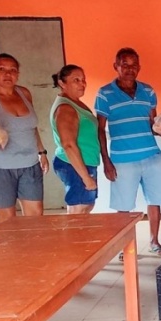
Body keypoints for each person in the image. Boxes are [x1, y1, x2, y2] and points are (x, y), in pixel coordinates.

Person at [95, 47, 161, 256]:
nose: (130, 69)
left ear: (139, 67)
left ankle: (155, 242)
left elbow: (153, 124)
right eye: (124, 65)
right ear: (116, 66)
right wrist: (106, 161)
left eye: (133, 65)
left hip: (152, 157)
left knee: (154, 201)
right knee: (124, 207)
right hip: (122, 160)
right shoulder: (105, 93)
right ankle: (124, 247)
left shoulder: (148, 91)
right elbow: (100, 129)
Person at [0, 53, 48, 224]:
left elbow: (31, 127)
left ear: (18, 74)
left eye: (13, 70)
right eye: (1, 69)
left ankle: (32, 251)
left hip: (29, 164)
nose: (8, 74)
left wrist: (41, 152)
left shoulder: (24, 93)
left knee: (36, 215)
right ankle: (8, 252)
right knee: (7, 219)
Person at [50, 64, 100, 214]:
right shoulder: (66, 108)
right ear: (62, 83)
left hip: (83, 162)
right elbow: (68, 144)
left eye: (83, 80)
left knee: (86, 206)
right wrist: (85, 177)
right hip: (74, 164)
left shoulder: (75, 103)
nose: (82, 84)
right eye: (76, 80)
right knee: (78, 210)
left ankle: (79, 237)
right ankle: (73, 237)